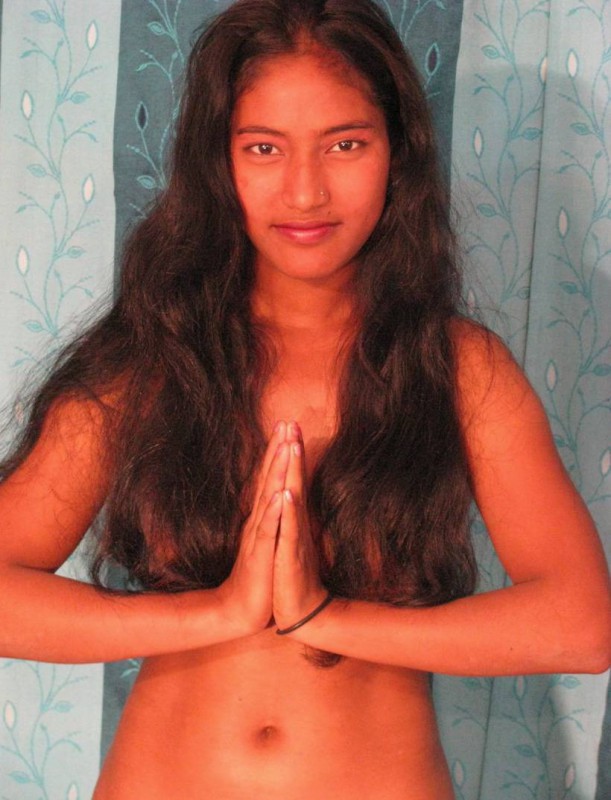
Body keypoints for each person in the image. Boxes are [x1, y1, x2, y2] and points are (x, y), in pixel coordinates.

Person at [1, 1, 609, 797]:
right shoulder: (149, 361)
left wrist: (324, 616)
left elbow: (580, 625)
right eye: (263, 147)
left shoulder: (457, 368)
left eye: (345, 144)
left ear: (397, 152)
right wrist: (221, 611)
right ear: (217, 161)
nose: (304, 191)